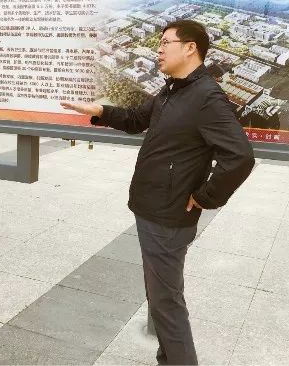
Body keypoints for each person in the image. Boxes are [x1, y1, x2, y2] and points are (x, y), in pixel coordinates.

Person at [61, 19, 254, 365]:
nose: (159, 50)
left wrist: (205, 197)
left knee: (166, 302)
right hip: (153, 207)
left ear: (190, 48)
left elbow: (240, 157)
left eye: (166, 43)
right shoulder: (173, 89)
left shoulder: (206, 97)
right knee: (161, 294)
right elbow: (137, 119)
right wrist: (101, 111)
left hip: (168, 215)